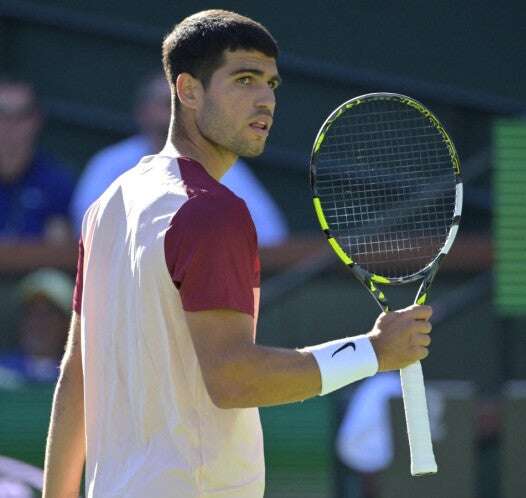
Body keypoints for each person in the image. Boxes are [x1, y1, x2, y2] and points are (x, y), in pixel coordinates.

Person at [42, 10, 433, 498]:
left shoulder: (109, 205)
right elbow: (232, 378)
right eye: (244, 79)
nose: (265, 98)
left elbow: (76, 375)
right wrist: (372, 354)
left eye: (271, 82)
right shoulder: (212, 212)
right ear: (187, 91)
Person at [69, 73, 289, 246]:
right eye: (168, 103)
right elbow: (88, 226)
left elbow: (271, 233)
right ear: (142, 112)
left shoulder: (224, 165)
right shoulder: (111, 164)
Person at [0, 78, 76, 271]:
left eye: (21, 116)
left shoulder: (55, 181)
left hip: (27, 287)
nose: (10, 125)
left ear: (36, 120)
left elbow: (58, 253)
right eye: (3, 115)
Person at [0, 269, 73, 386]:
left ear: (67, 324)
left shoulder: (79, 377)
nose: (38, 323)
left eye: (48, 314)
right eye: (31, 313)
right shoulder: (4, 370)